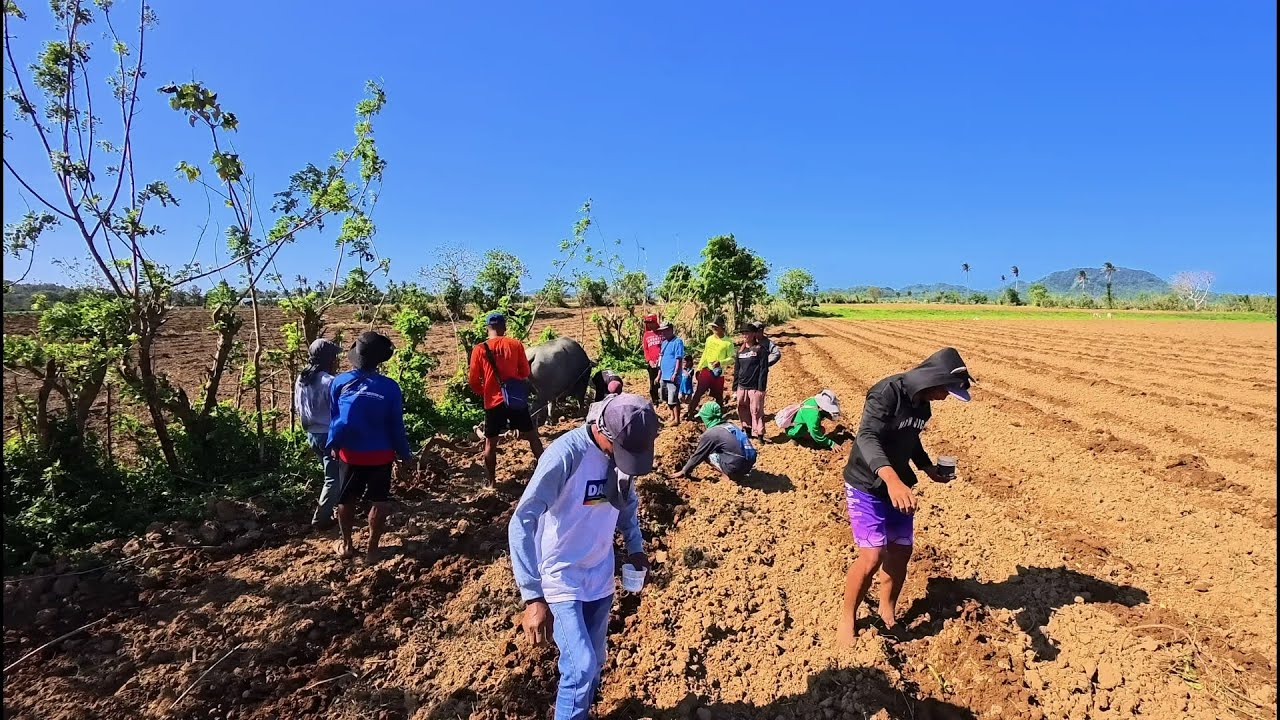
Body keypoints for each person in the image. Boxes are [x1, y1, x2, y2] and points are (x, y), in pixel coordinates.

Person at [508, 394, 658, 720]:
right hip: (561, 574)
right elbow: (521, 521)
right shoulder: (566, 455)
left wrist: (635, 548)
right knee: (581, 666)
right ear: (603, 430)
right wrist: (533, 596)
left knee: (596, 662)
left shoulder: (620, 453)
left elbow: (626, 503)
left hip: (599, 572)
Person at [836, 347, 975, 644]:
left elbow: (911, 439)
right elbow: (867, 437)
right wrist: (892, 480)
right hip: (867, 484)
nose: (944, 396)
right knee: (872, 557)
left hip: (897, 486)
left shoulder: (923, 405)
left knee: (901, 552)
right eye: (945, 390)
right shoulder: (886, 393)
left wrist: (926, 468)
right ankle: (848, 616)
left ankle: (888, 610)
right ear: (932, 380)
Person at [327, 331, 414, 561]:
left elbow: (335, 417)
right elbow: (396, 424)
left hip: (350, 453)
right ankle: (372, 550)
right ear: (379, 361)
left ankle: (346, 545)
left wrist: (333, 444)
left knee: (346, 499)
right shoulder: (389, 387)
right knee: (379, 500)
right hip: (381, 454)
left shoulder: (339, 382)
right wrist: (405, 454)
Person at [469, 312, 544, 486]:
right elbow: (525, 372)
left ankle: (491, 483)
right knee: (533, 437)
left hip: (493, 402)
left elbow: (473, 381)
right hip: (515, 399)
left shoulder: (479, 349)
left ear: (488, 328)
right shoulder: (515, 344)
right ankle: (545, 469)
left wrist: (486, 391)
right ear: (504, 327)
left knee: (490, 443)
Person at [295, 338, 341, 529]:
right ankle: (321, 519)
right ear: (329, 359)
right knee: (334, 478)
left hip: (312, 434)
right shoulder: (330, 382)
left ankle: (335, 507)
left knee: (330, 475)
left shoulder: (301, 379)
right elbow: (339, 411)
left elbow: (298, 407)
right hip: (328, 435)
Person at [671, 401, 757, 483]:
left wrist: (684, 471)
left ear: (707, 417)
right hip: (749, 464)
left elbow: (698, 455)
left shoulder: (712, 433)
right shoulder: (730, 425)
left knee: (707, 454)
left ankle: (728, 475)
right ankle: (737, 471)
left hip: (735, 467)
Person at [732, 321, 781, 441]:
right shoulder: (740, 351)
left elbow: (763, 370)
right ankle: (746, 430)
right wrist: (735, 387)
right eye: (743, 333)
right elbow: (737, 370)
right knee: (742, 408)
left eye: (747, 333)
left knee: (756, 410)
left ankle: (760, 434)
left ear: (753, 334)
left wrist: (761, 388)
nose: (744, 335)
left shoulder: (760, 350)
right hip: (742, 386)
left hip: (755, 386)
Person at [686, 315, 734, 418]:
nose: (714, 329)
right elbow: (705, 354)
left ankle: (718, 414)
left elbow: (731, 359)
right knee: (698, 392)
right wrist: (699, 368)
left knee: (718, 395)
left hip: (718, 373)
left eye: (716, 327)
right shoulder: (709, 339)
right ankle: (690, 412)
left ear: (722, 327)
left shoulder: (728, 342)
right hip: (706, 370)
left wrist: (720, 362)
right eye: (713, 327)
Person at [655, 322, 685, 424]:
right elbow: (661, 359)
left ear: (671, 329)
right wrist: (659, 375)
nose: (663, 333)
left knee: (673, 397)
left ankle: (677, 419)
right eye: (662, 331)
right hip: (664, 375)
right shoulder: (664, 343)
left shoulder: (678, 342)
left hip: (672, 375)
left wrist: (675, 373)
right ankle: (672, 416)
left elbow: (678, 359)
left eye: (665, 330)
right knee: (666, 397)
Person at [641, 313, 663, 404]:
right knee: (653, 383)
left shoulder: (662, 332)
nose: (649, 325)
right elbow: (645, 349)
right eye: (647, 323)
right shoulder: (646, 335)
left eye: (651, 322)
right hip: (652, 364)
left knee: (663, 382)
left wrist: (661, 359)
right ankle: (655, 401)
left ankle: (664, 399)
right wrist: (649, 360)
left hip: (662, 362)